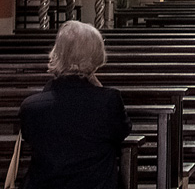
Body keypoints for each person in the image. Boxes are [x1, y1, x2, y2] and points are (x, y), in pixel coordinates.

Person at [20, 20, 131, 189]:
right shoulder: (108, 101)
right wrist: (99, 88)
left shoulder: (31, 107)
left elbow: (30, 138)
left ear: (57, 53)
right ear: (96, 56)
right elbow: (121, 132)